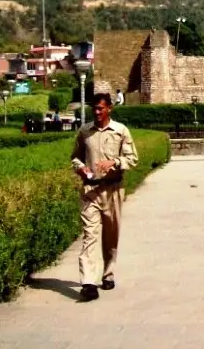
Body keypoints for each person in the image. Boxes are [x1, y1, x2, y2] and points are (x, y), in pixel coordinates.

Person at [70, 93, 139, 301]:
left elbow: (132, 158)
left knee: (111, 235)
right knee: (89, 235)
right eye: (95, 109)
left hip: (113, 190)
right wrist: (81, 169)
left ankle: (108, 273)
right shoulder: (84, 132)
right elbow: (75, 157)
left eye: (101, 108)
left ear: (109, 108)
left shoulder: (120, 131)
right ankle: (88, 283)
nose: (97, 112)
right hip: (90, 191)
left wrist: (115, 162)